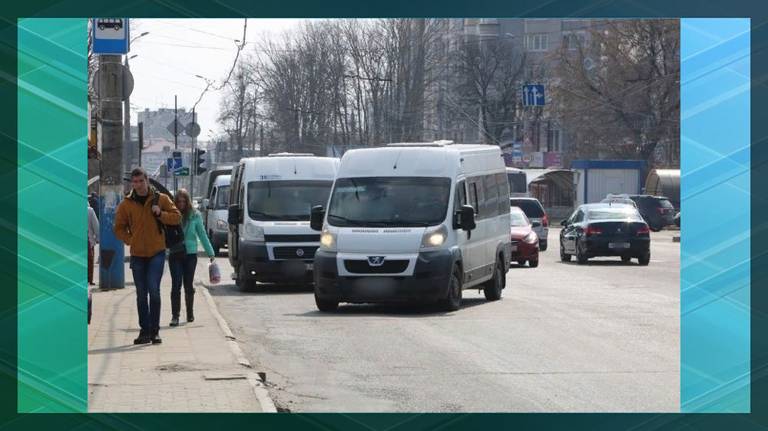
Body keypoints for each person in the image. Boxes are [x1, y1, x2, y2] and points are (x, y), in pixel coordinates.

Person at [114, 167, 181, 345]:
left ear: (147, 181)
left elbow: (177, 217)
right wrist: (130, 240)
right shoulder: (126, 204)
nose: (137, 185)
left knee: (154, 290)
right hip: (137, 254)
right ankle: (144, 331)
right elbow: (118, 228)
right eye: (134, 182)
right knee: (141, 295)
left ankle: (155, 331)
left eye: (140, 181)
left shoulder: (161, 199)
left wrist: (161, 213)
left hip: (156, 252)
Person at [168, 188, 215, 327]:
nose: (181, 204)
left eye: (184, 201)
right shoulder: (172, 214)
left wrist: (211, 253)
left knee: (188, 284)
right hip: (175, 254)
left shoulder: (195, 215)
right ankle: (175, 316)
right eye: (179, 201)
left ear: (188, 202)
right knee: (176, 285)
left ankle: (189, 312)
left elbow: (202, 234)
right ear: (175, 202)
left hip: (190, 255)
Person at [87, 204, 99, 285]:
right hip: (88, 241)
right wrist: (97, 239)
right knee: (89, 262)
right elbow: (97, 227)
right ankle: (90, 280)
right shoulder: (90, 210)